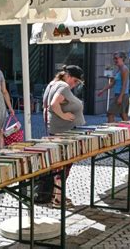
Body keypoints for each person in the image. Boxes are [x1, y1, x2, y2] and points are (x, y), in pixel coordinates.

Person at [42, 65, 85, 208]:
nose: (75, 84)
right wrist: (63, 115)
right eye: (75, 80)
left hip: (57, 131)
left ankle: (58, 195)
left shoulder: (52, 84)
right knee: (64, 164)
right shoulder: (63, 86)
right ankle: (58, 198)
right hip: (63, 132)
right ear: (67, 75)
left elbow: (45, 106)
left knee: (60, 164)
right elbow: (54, 104)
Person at [97, 52, 130, 122]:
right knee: (123, 115)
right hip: (119, 95)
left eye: (116, 58)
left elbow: (124, 84)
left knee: (110, 113)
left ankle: (112, 129)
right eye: (114, 58)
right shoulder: (119, 69)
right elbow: (112, 83)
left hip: (122, 95)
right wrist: (102, 90)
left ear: (122, 58)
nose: (114, 60)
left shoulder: (124, 69)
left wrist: (120, 97)